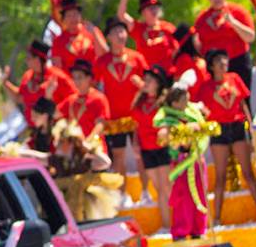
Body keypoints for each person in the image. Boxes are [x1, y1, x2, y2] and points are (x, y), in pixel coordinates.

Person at [197, 48, 256, 225]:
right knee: (220, 176)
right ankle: (216, 218)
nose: (223, 64)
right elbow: (202, 110)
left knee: (248, 173)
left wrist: (252, 129)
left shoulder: (234, 79)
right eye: (219, 61)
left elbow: (243, 105)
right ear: (211, 66)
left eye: (225, 60)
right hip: (219, 130)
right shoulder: (206, 87)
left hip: (238, 126)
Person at [95, 17, 149, 206]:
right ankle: (122, 194)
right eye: (115, 32)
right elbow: (95, 85)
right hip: (115, 118)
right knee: (118, 157)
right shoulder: (102, 62)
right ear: (109, 37)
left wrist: (141, 85)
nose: (120, 35)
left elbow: (150, 86)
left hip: (135, 116)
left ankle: (145, 192)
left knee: (139, 154)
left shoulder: (137, 58)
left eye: (122, 31)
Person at [154, 86, 216, 240]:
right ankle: (181, 231)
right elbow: (164, 137)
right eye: (183, 100)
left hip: (197, 161)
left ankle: (198, 229)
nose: (187, 103)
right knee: (183, 199)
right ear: (174, 103)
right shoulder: (167, 118)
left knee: (200, 194)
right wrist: (184, 130)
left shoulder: (193, 113)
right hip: (182, 162)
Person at [194, 0, 256, 89]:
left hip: (238, 63)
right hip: (214, 68)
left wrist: (233, 22)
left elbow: (250, 37)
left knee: (241, 101)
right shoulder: (202, 18)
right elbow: (197, 44)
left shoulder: (238, 11)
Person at [131, 65, 173, 231]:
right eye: (145, 80)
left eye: (150, 80)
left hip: (162, 148)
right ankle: (166, 224)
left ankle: (176, 222)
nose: (145, 83)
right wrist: (135, 142)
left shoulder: (164, 101)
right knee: (158, 189)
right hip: (147, 149)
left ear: (158, 83)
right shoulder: (139, 101)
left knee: (166, 187)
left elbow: (172, 121)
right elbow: (136, 125)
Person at [1, 40, 75, 124]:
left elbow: (75, 97)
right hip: (37, 131)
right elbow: (19, 98)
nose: (26, 60)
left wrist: (58, 112)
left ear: (38, 59)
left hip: (56, 128)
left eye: (29, 58)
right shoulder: (27, 76)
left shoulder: (57, 77)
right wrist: (5, 83)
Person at [117, 0, 178, 70]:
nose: (154, 10)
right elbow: (121, 15)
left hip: (166, 76)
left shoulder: (168, 27)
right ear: (143, 13)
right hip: (146, 77)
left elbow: (177, 50)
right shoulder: (139, 29)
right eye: (150, 8)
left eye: (155, 7)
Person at [50, 0, 107, 72]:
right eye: (69, 16)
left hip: (94, 79)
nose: (73, 18)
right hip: (71, 81)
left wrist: (95, 35)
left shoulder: (92, 31)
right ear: (63, 19)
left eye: (75, 14)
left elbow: (106, 54)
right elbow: (57, 68)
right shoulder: (58, 41)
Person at [56, 59, 110, 139]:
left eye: (79, 77)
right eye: (74, 77)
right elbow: (55, 114)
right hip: (75, 147)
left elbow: (101, 124)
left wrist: (88, 142)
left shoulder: (98, 98)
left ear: (89, 78)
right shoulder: (71, 99)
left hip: (94, 147)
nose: (76, 81)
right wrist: (48, 95)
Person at [172, 24, 207, 100]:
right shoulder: (184, 60)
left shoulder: (198, 58)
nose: (199, 41)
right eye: (196, 38)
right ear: (190, 41)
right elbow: (178, 88)